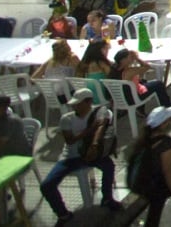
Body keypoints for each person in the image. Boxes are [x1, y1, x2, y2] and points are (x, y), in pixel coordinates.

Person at [42, 88, 122, 223]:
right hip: (71, 157)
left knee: (109, 167)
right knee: (47, 185)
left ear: (89, 102)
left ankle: (107, 198)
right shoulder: (66, 119)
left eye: (78, 103)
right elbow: (70, 140)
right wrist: (90, 129)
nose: (75, 106)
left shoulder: (99, 112)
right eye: (74, 104)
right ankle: (62, 213)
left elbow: (102, 125)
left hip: (93, 154)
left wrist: (94, 145)